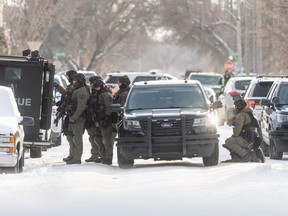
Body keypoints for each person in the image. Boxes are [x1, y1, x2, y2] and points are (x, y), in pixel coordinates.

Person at [222, 99, 264, 163]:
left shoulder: (241, 115)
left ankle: (246, 155)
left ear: (239, 107)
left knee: (228, 141)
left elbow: (237, 132)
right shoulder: (250, 113)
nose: (234, 108)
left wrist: (234, 133)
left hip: (246, 140)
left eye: (235, 106)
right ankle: (238, 158)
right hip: (252, 140)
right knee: (233, 141)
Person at [65, 73, 89, 164]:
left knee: (77, 139)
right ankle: (73, 156)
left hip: (79, 118)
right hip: (73, 117)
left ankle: (77, 158)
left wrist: (74, 118)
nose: (73, 82)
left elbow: (81, 107)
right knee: (70, 137)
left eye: (75, 80)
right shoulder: (77, 89)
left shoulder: (82, 91)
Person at [54, 69, 77, 162]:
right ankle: (72, 155)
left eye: (68, 77)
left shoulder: (75, 87)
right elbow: (66, 96)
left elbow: (68, 95)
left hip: (74, 115)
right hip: (69, 114)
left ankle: (74, 156)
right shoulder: (71, 86)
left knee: (72, 137)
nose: (67, 79)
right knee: (69, 136)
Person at [92, 79, 114, 165]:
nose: (96, 89)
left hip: (105, 120)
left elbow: (109, 108)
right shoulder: (97, 94)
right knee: (98, 138)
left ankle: (109, 157)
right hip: (99, 119)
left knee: (106, 140)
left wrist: (106, 118)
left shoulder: (105, 95)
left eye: (97, 87)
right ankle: (103, 156)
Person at [84, 75, 103, 163]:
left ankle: (101, 155)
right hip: (92, 119)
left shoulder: (101, 93)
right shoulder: (94, 92)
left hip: (99, 120)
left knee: (97, 138)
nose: (90, 85)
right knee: (92, 138)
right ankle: (95, 155)